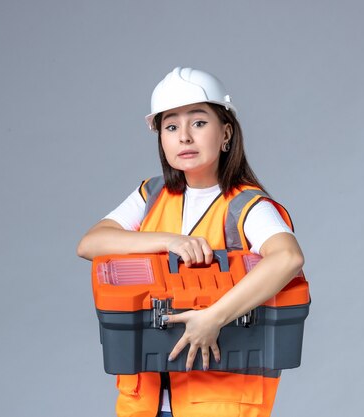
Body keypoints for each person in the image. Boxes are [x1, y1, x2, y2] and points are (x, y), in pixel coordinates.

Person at [77, 67, 304, 417]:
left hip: (218, 403)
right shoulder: (151, 195)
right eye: (171, 126)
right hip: (146, 402)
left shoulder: (247, 206)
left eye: (198, 123)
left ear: (226, 133)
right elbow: (91, 243)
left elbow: (287, 258)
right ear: (161, 138)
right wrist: (168, 241)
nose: (184, 136)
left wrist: (213, 318)